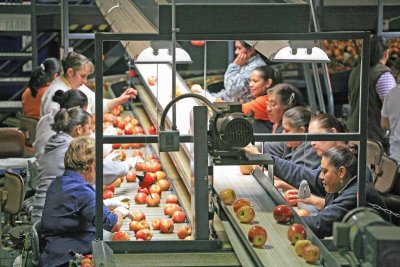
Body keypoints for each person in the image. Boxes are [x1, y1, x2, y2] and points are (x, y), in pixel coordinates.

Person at [40, 137, 132, 266]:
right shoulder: (80, 189)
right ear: (92, 164)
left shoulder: (58, 182)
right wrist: (120, 211)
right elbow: (113, 224)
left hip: (53, 254)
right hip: (67, 260)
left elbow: (74, 209)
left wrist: (105, 203)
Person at [31, 108, 134, 223]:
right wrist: (128, 164)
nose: (91, 133)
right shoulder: (71, 150)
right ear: (79, 129)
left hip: (48, 213)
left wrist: (105, 203)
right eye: (89, 128)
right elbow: (102, 171)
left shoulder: (55, 144)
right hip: (52, 221)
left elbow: (75, 199)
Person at [274, 146, 387, 239]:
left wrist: (286, 219)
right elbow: (300, 174)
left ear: (341, 172)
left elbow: (321, 224)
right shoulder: (339, 181)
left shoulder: (355, 194)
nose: (320, 176)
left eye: (324, 171)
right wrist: (268, 160)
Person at [40, 52, 137, 117]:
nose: (85, 81)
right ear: (70, 72)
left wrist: (120, 100)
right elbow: (62, 134)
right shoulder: (56, 95)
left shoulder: (76, 86)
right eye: (82, 76)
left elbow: (97, 104)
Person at [347, 35, 396, 148]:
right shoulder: (383, 75)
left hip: (354, 135)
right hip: (373, 140)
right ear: (386, 53)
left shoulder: (355, 71)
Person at [246, 106, 320, 170]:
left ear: (301, 130)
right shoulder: (291, 142)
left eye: (287, 130)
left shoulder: (309, 150)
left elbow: (294, 178)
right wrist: (247, 145)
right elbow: (266, 147)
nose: (283, 133)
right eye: (283, 129)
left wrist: (262, 165)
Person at [33, 89, 88, 159]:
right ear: (77, 108)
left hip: (39, 160)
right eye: (84, 111)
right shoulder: (69, 124)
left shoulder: (44, 118)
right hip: (52, 163)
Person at [242, 65, 282, 133]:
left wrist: (217, 101)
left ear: (268, 83)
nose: (250, 85)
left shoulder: (267, 100)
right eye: (250, 81)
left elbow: (236, 109)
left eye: (255, 81)